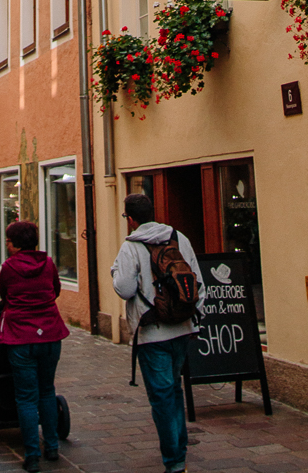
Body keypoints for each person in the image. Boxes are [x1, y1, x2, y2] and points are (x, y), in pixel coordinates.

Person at [111, 193, 205, 473]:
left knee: (162, 396)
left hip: (153, 333)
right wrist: (193, 317)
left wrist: (115, 272)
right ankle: (180, 449)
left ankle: (175, 461)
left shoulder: (131, 247)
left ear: (130, 218)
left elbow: (125, 289)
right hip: (182, 329)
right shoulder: (179, 237)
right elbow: (198, 282)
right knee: (173, 389)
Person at [0, 219, 69, 472]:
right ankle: (51, 447)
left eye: (8, 240)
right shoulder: (48, 263)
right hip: (50, 333)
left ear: (16, 243)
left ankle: (32, 455)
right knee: (47, 390)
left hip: (20, 337)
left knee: (26, 397)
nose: (6, 244)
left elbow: (4, 295)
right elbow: (56, 289)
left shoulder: (8, 267)